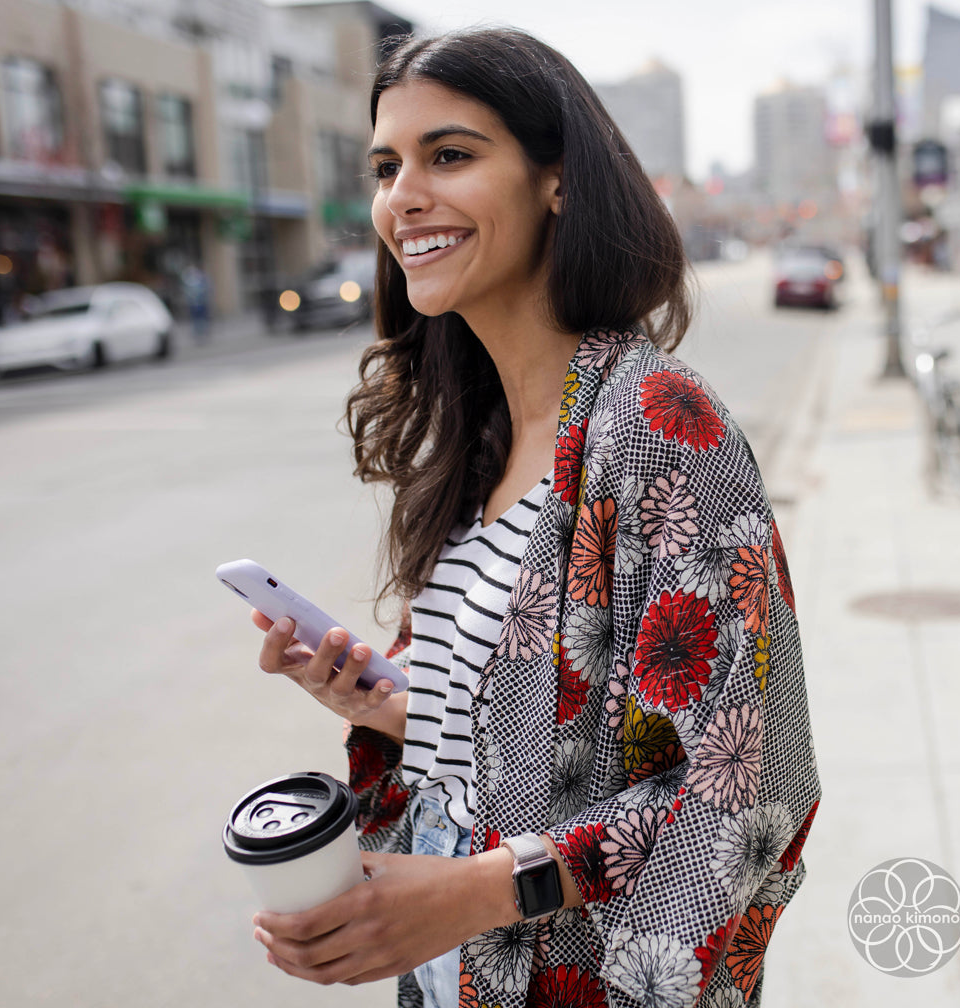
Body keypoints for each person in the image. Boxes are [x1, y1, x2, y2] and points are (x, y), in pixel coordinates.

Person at [248, 26, 820, 1008]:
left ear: (557, 178)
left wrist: (481, 889)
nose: (404, 196)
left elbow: (754, 786)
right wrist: (389, 704)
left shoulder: (656, 428)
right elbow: (529, 737)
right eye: (387, 166)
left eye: (450, 155)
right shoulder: (476, 452)